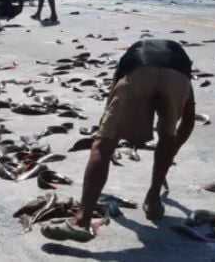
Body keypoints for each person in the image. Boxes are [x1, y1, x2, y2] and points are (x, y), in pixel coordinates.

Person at [42, 39, 195, 243]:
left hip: (138, 71)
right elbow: (188, 121)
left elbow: (110, 106)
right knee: (167, 136)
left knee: (103, 147)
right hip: (176, 78)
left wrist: (106, 137)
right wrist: (170, 153)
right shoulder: (182, 65)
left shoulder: (127, 60)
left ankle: (81, 221)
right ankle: (154, 200)